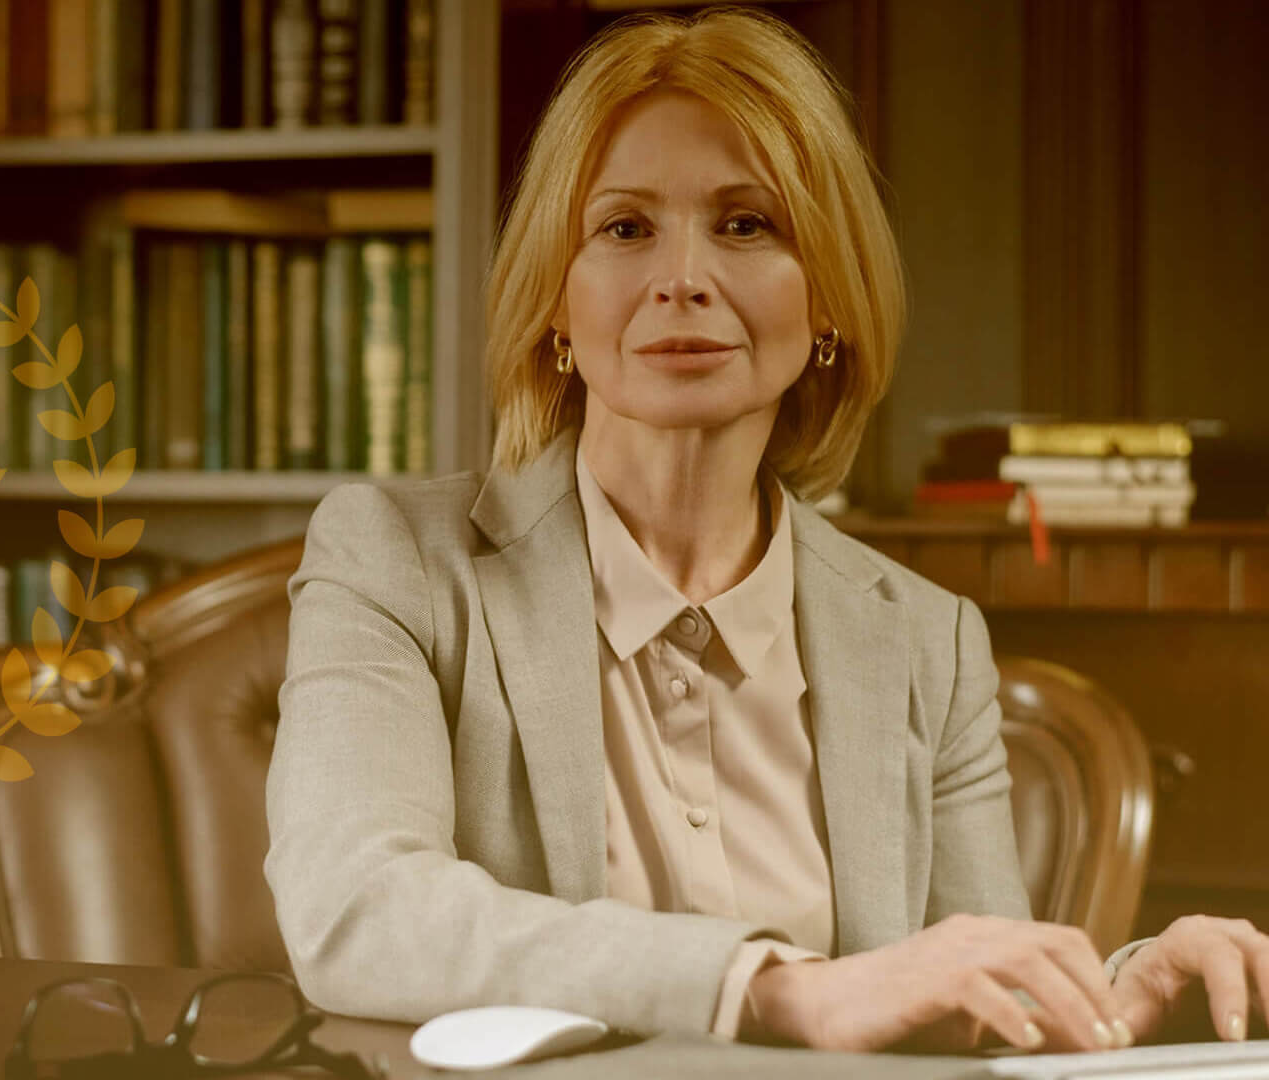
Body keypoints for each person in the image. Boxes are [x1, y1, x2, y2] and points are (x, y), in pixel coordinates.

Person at [264, 4, 1269, 1056]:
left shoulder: (927, 641)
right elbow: (356, 908)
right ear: (557, 301)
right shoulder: (396, 562)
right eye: (624, 228)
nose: (682, 278)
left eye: (746, 225)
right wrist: (775, 988)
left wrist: (1121, 992)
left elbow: (978, 1000)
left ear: (827, 294)